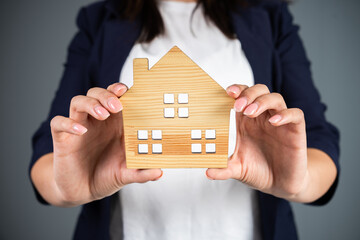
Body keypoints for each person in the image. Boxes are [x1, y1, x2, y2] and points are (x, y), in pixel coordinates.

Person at [29, 0, 340, 239]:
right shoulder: (99, 21)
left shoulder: (269, 17)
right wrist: (67, 185)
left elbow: (318, 138)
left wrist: (296, 182)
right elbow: (50, 148)